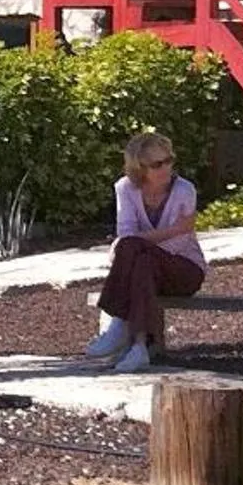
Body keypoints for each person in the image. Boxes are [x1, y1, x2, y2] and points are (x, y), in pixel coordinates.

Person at [84, 131, 202, 372]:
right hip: (147, 268)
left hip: (183, 269)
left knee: (132, 250)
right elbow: (126, 230)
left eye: (169, 160)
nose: (166, 168)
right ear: (140, 168)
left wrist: (137, 244)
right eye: (157, 164)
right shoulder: (125, 188)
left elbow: (177, 244)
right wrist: (173, 229)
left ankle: (118, 323)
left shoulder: (184, 190)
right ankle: (139, 347)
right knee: (142, 264)